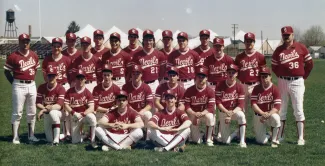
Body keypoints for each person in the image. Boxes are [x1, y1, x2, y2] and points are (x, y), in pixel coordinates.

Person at [271, 26, 313, 146]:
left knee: (298, 110)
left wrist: (303, 76)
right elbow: (274, 67)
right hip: (282, 81)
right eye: (284, 35)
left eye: (288, 35)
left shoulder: (301, 47)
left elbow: (310, 63)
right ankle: (280, 136)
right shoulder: (278, 50)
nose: (286, 37)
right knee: (282, 110)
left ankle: (301, 138)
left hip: (297, 82)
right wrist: (281, 75)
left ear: (292, 35)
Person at [4, 33, 40, 144]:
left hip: (31, 85)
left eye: (27, 41)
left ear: (29, 42)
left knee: (32, 111)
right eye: (23, 41)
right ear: (19, 42)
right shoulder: (13, 56)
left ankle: (31, 135)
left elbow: (35, 70)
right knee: (17, 112)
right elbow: (6, 71)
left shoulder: (34, 55)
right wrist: (14, 83)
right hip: (18, 84)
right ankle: (15, 137)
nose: (25, 43)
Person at [204, 37, 234, 141]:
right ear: (213, 47)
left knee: (222, 111)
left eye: (220, 46)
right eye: (216, 46)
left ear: (223, 47)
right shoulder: (208, 60)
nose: (218, 48)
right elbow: (204, 75)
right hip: (211, 86)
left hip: (223, 87)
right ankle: (211, 134)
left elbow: (233, 75)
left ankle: (221, 133)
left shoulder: (228, 59)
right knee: (212, 110)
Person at [215, 64, 247, 148]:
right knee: (226, 142)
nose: (231, 74)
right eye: (229, 72)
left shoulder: (240, 86)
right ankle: (235, 133)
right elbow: (218, 102)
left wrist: (231, 113)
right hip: (223, 112)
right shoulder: (220, 85)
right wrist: (227, 112)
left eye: (233, 72)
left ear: (236, 74)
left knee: (242, 115)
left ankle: (242, 141)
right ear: (226, 73)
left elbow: (241, 104)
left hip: (235, 111)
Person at [183, 66, 215, 146]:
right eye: (199, 77)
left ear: (206, 78)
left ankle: (208, 139)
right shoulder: (189, 90)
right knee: (196, 141)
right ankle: (201, 134)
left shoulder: (210, 91)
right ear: (195, 78)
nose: (201, 79)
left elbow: (211, 107)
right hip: (193, 114)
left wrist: (201, 113)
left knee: (210, 116)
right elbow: (187, 106)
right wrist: (194, 114)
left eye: (203, 77)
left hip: (204, 113)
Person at [64, 69, 97, 147]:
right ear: (75, 79)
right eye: (78, 78)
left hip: (84, 115)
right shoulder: (70, 91)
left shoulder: (87, 92)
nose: (80, 80)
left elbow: (92, 108)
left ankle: (92, 140)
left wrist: (83, 114)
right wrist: (74, 113)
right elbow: (66, 105)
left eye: (82, 78)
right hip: (74, 116)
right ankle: (85, 136)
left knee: (92, 118)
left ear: (85, 79)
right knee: (75, 141)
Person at [235, 32, 266, 113]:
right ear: (244, 42)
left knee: (258, 110)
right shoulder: (239, 57)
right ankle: (242, 125)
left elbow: (264, 73)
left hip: (255, 85)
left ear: (254, 42)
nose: (249, 43)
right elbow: (236, 73)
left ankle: (258, 126)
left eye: (251, 41)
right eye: (247, 41)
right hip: (243, 85)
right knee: (241, 110)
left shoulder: (260, 57)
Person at [251, 66, 281, 147]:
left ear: (270, 76)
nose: (264, 79)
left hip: (270, 115)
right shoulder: (256, 88)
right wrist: (262, 113)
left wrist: (268, 114)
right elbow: (253, 104)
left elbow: (277, 106)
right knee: (261, 141)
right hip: (259, 116)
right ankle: (269, 134)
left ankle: (275, 140)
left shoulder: (275, 88)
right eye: (262, 76)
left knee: (277, 118)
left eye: (266, 76)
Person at [128, 29, 165, 94]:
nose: (148, 42)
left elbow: (163, 70)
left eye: (150, 40)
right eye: (146, 40)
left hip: (155, 83)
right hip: (142, 83)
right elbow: (133, 71)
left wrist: (159, 80)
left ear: (153, 41)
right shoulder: (137, 55)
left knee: (154, 102)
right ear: (143, 41)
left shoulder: (159, 54)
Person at [122, 65, 153, 140]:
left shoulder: (146, 87)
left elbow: (150, 103)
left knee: (148, 114)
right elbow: (123, 103)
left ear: (141, 75)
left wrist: (143, 110)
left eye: (138, 74)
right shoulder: (125, 87)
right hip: (130, 113)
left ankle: (148, 139)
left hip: (141, 112)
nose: (136, 76)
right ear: (131, 75)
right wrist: (133, 111)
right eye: (134, 74)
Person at [36, 67, 66, 145]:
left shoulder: (61, 88)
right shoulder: (41, 87)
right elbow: (38, 103)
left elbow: (59, 106)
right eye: (49, 76)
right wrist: (45, 109)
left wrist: (43, 110)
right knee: (49, 139)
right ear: (46, 76)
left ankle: (56, 140)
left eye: (53, 76)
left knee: (53, 112)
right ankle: (61, 135)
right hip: (47, 114)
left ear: (56, 76)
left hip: (60, 114)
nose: (51, 78)